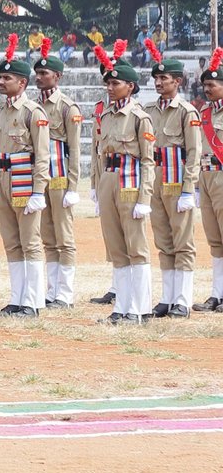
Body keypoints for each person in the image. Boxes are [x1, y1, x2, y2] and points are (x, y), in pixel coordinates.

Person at [0, 36, 50, 318]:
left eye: (7, 78)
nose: (1, 82)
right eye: (0, 77)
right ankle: (17, 298)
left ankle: (33, 301)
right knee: (11, 242)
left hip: (24, 177)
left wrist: (38, 191)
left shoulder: (32, 112)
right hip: (2, 178)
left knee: (30, 241)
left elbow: (42, 154)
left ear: (22, 83)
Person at [93, 44, 155, 324]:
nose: (109, 87)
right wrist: (96, 189)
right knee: (116, 247)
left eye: (115, 83)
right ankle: (121, 306)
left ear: (130, 87)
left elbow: (148, 160)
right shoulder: (105, 116)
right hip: (108, 180)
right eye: (107, 83)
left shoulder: (140, 118)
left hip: (130, 181)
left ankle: (140, 308)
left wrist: (144, 198)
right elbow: (99, 154)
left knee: (136, 246)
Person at [146, 39, 201, 317]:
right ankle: (167, 297)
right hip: (155, 182)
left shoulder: (186, 112)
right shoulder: (149, 111)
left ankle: (183, 298)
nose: (158, 82)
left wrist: (189, 189)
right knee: (163, 240)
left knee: (183, 242)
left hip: (177, 180)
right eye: (156, 77)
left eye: (164, 78)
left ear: (177, 81)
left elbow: (193, 152)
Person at [33, 37, 84, 308]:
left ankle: (65, 293)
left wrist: (73, 188)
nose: (39, 78)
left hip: (61, 176)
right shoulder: (33, 105)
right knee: (47, 236)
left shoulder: (67, 107)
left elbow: (74, 150)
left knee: (64, 238)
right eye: (37, 73)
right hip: (41, 178)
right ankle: (51, 291)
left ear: (58, 76)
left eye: (44, 73)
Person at [194, 49, 223, 312]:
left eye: (211, 85)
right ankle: (217, 294)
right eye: (204, 85)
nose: (207, 89)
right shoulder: (203, 113)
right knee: (214, 239)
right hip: (205, 177)